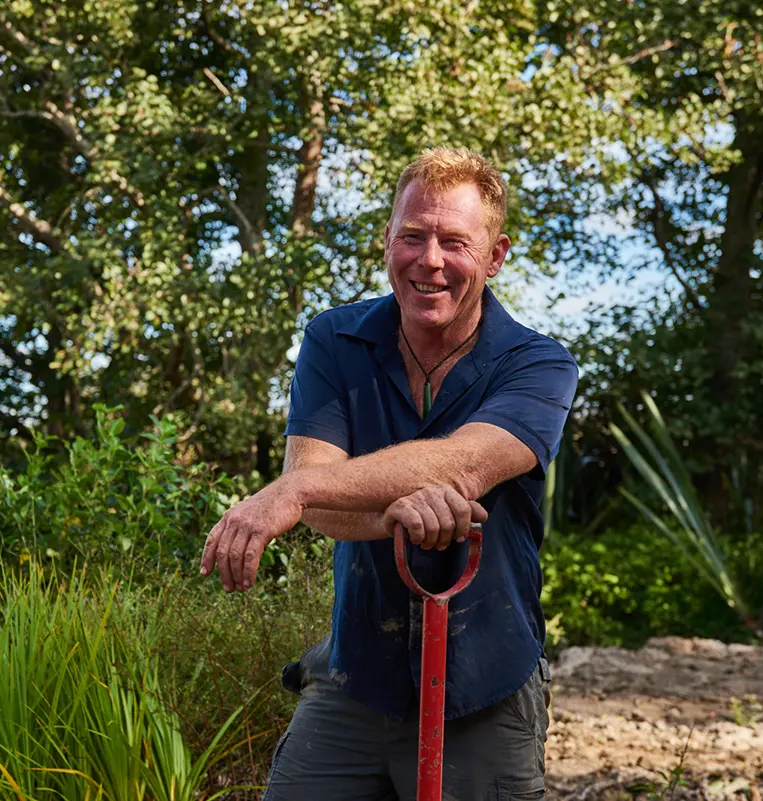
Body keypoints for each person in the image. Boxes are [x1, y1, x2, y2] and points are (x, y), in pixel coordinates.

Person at [199, 147, 579, 800]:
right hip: (357, 677)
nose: (430, 259)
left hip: (483, 686)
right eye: (413, 236)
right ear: (388, 241)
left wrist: (290, 490)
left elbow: (466, 461)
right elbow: (321, 506)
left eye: (455, 242)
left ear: (494, 256)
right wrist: (390, 514)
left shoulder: (538, 365)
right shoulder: (334, 341)